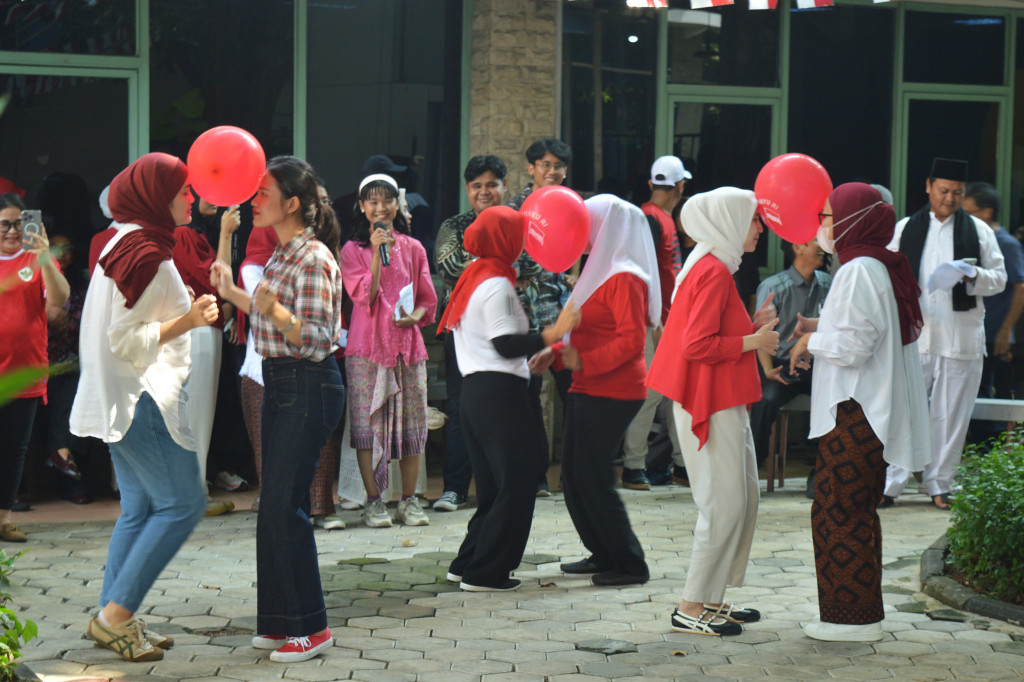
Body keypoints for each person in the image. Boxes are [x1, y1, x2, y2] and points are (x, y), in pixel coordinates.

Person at [69, 153, 215, 661]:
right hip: (142, 395)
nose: (191, 198)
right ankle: (114, 619)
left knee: (142, 508)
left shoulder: (128, 238)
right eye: (183, 190)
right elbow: (125, 339)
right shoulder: (145, 251)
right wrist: (191, 320)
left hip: (123, 393)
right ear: (157, 196)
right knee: (182, 504)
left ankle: (115, 617)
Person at [212, 156, 344, 663]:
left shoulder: (313, 258)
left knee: (286, 507)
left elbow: (315, 338)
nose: (254, 200)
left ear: (292, 203)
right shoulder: (285, 252)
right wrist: (235, 295)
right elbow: (269, 313)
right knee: (273, 507)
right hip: (283, 382)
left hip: (308, 384)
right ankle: (279, 623)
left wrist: (274, 310)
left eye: (263, 193)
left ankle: (311, 629)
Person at [789, 182, 930, 642]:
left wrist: (814, 340)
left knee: (838, 509)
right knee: (854, 508)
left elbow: (853, 346)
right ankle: (859, 613)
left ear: (852, 221)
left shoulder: (859, 269)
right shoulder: (875, 265)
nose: (821, 228)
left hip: (856, 407)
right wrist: (817, 326)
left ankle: (850, 621)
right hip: (865, 407)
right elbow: (866, 328)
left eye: (827, 218)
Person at [648, 187, 778, 636]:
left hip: (718, 395)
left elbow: (708, 330)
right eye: (753, 220)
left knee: (742, 497)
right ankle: (691, 605)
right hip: (708, 397)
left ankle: (712, 598)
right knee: (724, 503)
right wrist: (754, 342)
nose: (760, 228)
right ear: (728, 223)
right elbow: (697, 344)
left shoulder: (713, 264)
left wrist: (752, 327)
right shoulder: (714, 270)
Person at [440, 206, 578, 591]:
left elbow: (489, 343)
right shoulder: (496, 283)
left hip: (478, 395)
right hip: (498, 397)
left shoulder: (474, 276)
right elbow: (503, 344)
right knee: (515, 484)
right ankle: (486, 573)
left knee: (493, 489)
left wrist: (530, 352)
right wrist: (552, 334)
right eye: (519, 236)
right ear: (507, 240)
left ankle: (467, 563)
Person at [547, 194, 660, 587]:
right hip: (588, 386)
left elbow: (630, 342)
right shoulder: (600, 270)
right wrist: (557, 353)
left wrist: (581, 361)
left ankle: (630, 563)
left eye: (588, 224)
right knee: (576, 477)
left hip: (614, 391)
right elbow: (586, 330)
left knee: (593, 478)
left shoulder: (625, 276)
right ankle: (603, 552)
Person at [883, 158, 1006, 510]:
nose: (950, 198)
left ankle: (940, 483)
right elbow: (886, 275)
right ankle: (894, 482)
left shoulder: (979, 231)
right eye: (943, 191)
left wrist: (971, 276)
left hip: (960, 336)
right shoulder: (905, 229)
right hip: (915, 336)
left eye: (957, 193)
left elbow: (998, 279)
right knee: (905, 410)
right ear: (928, 187)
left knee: (951, 415)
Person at [339, 173, 437, 528]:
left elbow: (428, 300)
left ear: (398, 204)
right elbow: (362, 296)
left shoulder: (413, 248)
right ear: (362, 207)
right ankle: (374, 501)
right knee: (367, 427)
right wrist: (378, 256)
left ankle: (408, 501)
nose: (380, 208)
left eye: (387, 200)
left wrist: (416, 317)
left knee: (412, 426)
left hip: (408, 347)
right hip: (367, 349)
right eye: (373, 202)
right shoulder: (352, 250)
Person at [433, 155, 508, 512]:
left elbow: (533, 263)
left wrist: (477, 262)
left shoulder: (516, 222)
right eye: (477, 185)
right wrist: (500, 264)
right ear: (467, 190)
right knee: (463, 409)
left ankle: (504, 487)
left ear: (503, 187)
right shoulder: (454, 225)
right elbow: (448, 267)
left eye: (491, 184)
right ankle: (455, 488)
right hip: (462, 331)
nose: (484, 191)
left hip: (508, 330)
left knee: (507, 410)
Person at [0, 192, 70, 543]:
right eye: (5, 224)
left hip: (24, 370)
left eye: (19, 223)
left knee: (14, 449)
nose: (13, 231)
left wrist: (44, 257)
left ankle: (4, 518)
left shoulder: (37, 259)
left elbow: (59, 299)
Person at [508, 138, 573, 495]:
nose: (552, 171)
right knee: (527, 403)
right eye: (545, 164)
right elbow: (512, 264)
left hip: (561, 318)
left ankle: (572, 477)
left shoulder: (572, 207)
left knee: (573, 396)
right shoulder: (515, 210)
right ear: (531, 168)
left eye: (558, 166)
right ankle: (534, 479)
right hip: (525, 319)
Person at [621, 156, 689, 490]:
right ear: (681, 186)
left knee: (677, 393)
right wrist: (653, 319)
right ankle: (634, 467)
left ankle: (681, 464)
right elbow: (642, 272)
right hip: (654, 320)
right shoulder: (650, 218)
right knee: (651, 394)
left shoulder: (656, 217)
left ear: (652, 184)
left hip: (664, 318)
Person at [173, 196, 243, 516]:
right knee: (197, 409)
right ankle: (193, 491)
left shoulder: (197, 234)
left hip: (205, 327)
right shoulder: (185, 234)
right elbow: (216, 282)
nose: (213, 200)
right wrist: (226, 235)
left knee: (200, 409)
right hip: (197, 329)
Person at [750, 237, 831, 469]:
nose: (822, 248)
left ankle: (821, 473)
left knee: (836, 402)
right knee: (766, 401)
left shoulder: (828, 283)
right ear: (797, 247)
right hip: (782, 365)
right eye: (816, 242)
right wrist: (767, 370)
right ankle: (753, 467)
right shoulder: (774, 287)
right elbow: (761, 334)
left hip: (817, 366)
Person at [963, 182, 1024, 439]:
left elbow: (1020, 287)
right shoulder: (975, 241)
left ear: (986, 212)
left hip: (993, 333)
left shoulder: (1005, 243)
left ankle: (986, 452)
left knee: (985, 393)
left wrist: (1005, 331)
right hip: (977, 329)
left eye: (969, 212)